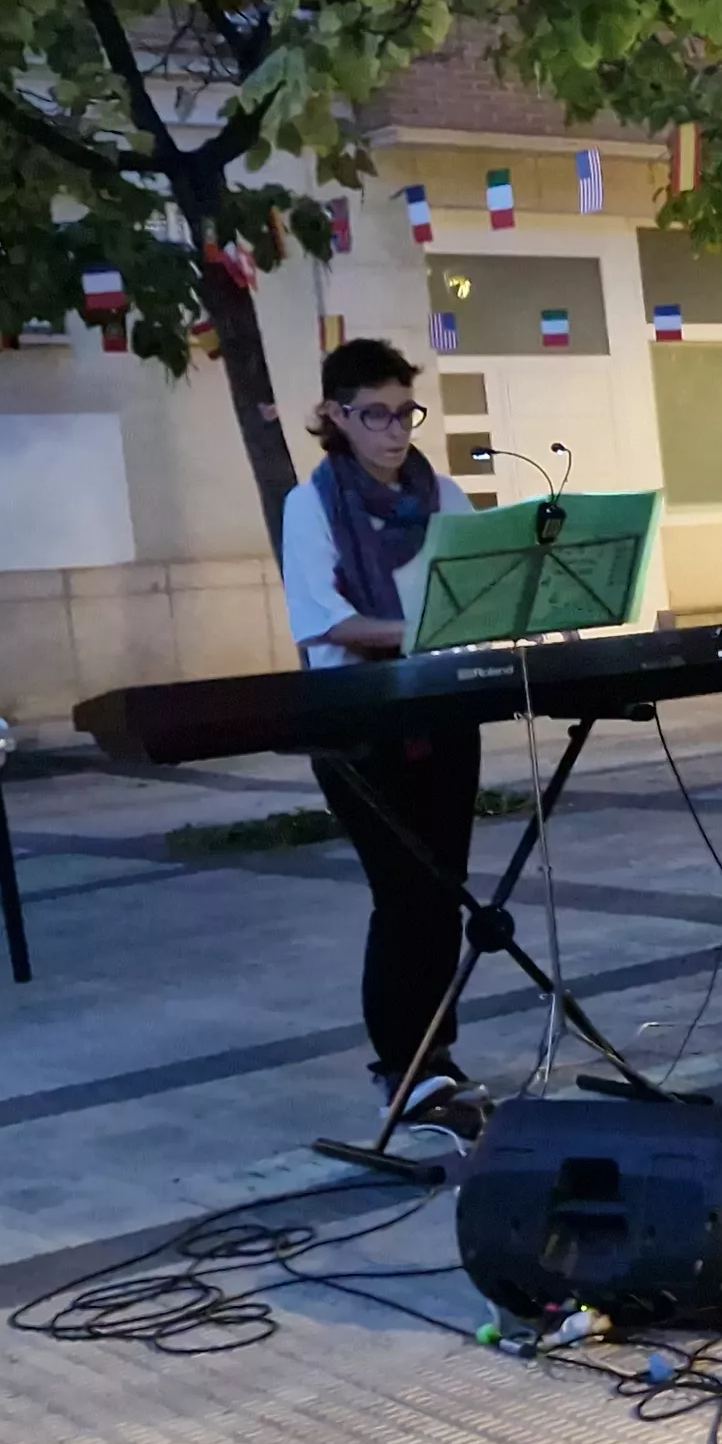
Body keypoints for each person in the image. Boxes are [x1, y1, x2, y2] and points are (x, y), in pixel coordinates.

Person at [281, 337, 485, 1145]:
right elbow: (324, 622)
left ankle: (436, 1057)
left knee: (445, 889)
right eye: (375, 415)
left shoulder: (444, 495)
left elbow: (479, 589)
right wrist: (421, 630)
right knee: (402, 893)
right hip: (358, 723)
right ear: (335, 415)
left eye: (405, 413)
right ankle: (401, 1068)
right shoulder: (312, 505)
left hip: (441, 710)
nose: (395, 431)